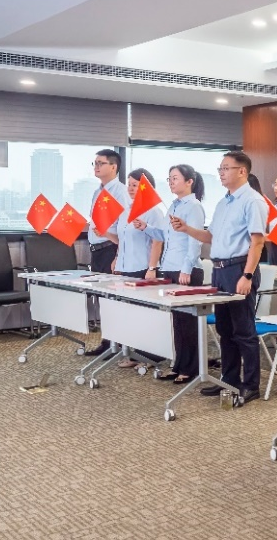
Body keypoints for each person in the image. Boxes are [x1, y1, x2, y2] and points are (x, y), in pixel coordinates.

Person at [172, 151, 267, 406]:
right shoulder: (223, 203)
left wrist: (247, 275)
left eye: (226, 168)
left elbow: (257, 242)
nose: (221, 173)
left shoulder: (253, 201)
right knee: (225, 330)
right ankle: (229, 379)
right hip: (220, 270)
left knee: (243, 330)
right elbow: (210, 237)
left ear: (242, 171)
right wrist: (186, 228)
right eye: (220, 169)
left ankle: (251, 385)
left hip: (239, 269)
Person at [142, 164, 206, 384]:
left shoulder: (193, 206)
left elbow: (195, 239)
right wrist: (146, 227)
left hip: (185, 270)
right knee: (176, 322)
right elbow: (165, 235)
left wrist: (187, 268)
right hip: (170, 266)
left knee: (187, 323)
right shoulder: (174, 205)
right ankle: (178, 365)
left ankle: (191, 368)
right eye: (169, 178)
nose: (171, 182)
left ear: (189, 182)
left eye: (175, 178)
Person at [114, 168, 167, 369]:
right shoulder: (125, 210)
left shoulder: (154, 211)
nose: (130, 188)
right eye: (129, 184)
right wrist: (116, 259)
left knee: (145, 314)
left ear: (146, 187)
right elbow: (122, 238)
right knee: (129, 313)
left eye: (135, 185)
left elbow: (157, 241)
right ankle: (133, 353)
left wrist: (152, 267)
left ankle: (151, 356)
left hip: (143, 267)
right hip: (125, 267)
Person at [82, 148, 130, 356]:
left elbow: (124, 228)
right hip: (97, 251)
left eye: (100, 163)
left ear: (114, 166)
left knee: (113, 298)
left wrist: (118, 255)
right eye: (95, 163)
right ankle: (107, 341)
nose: (96, 167)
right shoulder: (97, 192)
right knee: (103, 298)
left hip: (111, 249)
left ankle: (117, 344)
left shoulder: (120, 192)